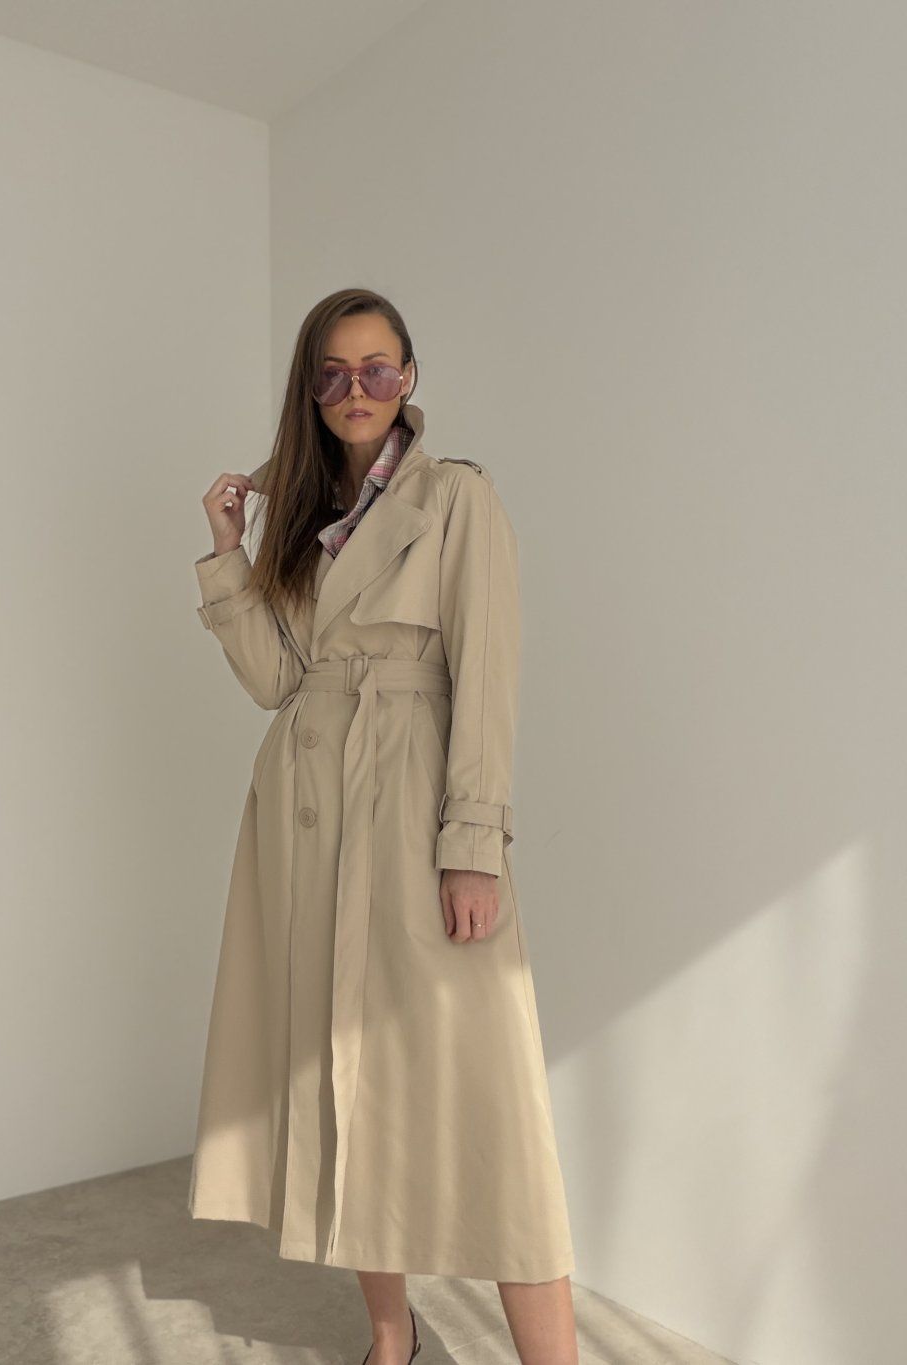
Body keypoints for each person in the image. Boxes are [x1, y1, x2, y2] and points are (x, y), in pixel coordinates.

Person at [188, 288, 580, 1365]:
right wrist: (227, 550)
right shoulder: (299, 519)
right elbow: (276, 682)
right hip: (307, 818)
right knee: (341, 1084)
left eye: (377, 368)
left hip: (411, 809)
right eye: (333, 372)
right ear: (310, 390)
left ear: (409, 378)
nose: (355, 388)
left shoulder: (456, 497)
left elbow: (485, 677)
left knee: (489, 1105)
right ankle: (389, 1338)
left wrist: (473, 848)